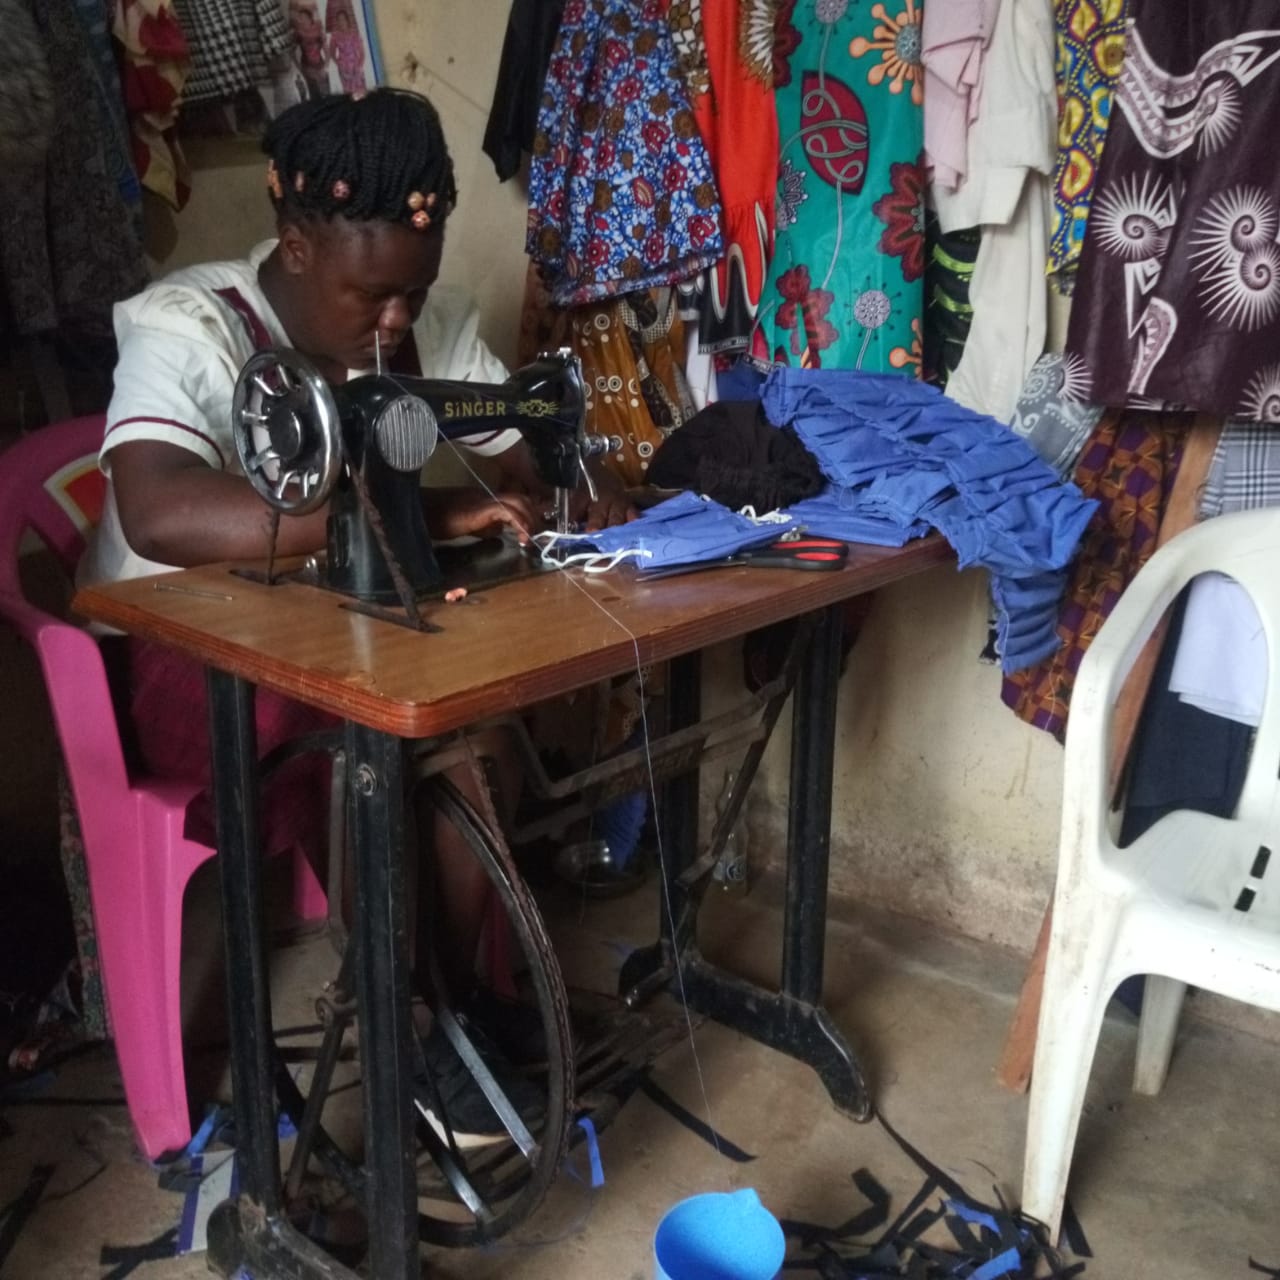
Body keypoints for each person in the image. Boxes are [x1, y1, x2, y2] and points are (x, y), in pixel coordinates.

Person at [80, 87, 631, 1144]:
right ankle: (405, 1029)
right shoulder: (189, 323)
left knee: (472, 728)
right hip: (173, 653)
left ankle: (450, 1009)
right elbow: (158, 507)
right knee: (361, 740)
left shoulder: (426, 321)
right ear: (296, 246)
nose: (396, 322)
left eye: (412, 293)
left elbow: (521, 443)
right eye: (372, 295)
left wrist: (555, 482)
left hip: (334, 633)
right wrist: (398, 511)